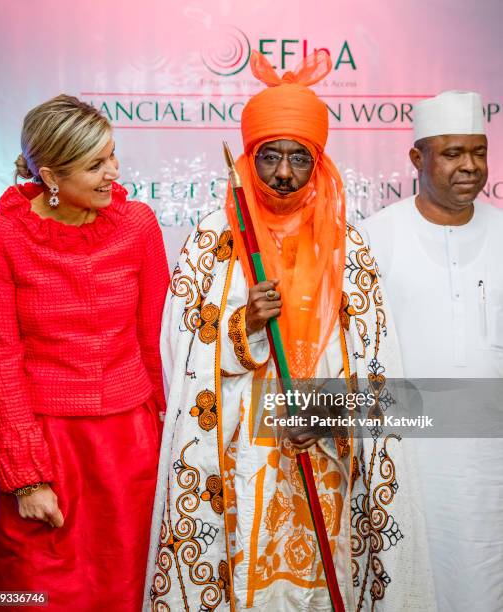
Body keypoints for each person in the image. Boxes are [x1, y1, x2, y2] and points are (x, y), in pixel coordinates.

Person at [144, 52, 434, 611]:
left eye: (298, 158)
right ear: (248, 159)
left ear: (319, 163)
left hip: (324, 458)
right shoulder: (214, 239)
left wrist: (325, 417)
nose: (283, 174)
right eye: (270, 157)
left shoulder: (348, 244)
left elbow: (376, 360)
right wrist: (243, 325)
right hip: (237, 456)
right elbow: (179, 352)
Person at [0, 95, 169, 611]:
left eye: (112, 155)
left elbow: (157, 341)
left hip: (130, 445)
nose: (113, 172)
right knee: (33, 589)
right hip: (45, 445)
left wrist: (171, 437)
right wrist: (26, 477)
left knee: (127, 586)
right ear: (50, 177)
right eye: (95, 164)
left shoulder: (138, 225)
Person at [361, 91, 503, 611]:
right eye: (452, 153)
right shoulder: (374, 239)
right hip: (409, 453)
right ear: (417, 159)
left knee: (487, 578)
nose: (470, 166)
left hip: (492, 457)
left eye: (479, 152)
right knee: (411, 582)